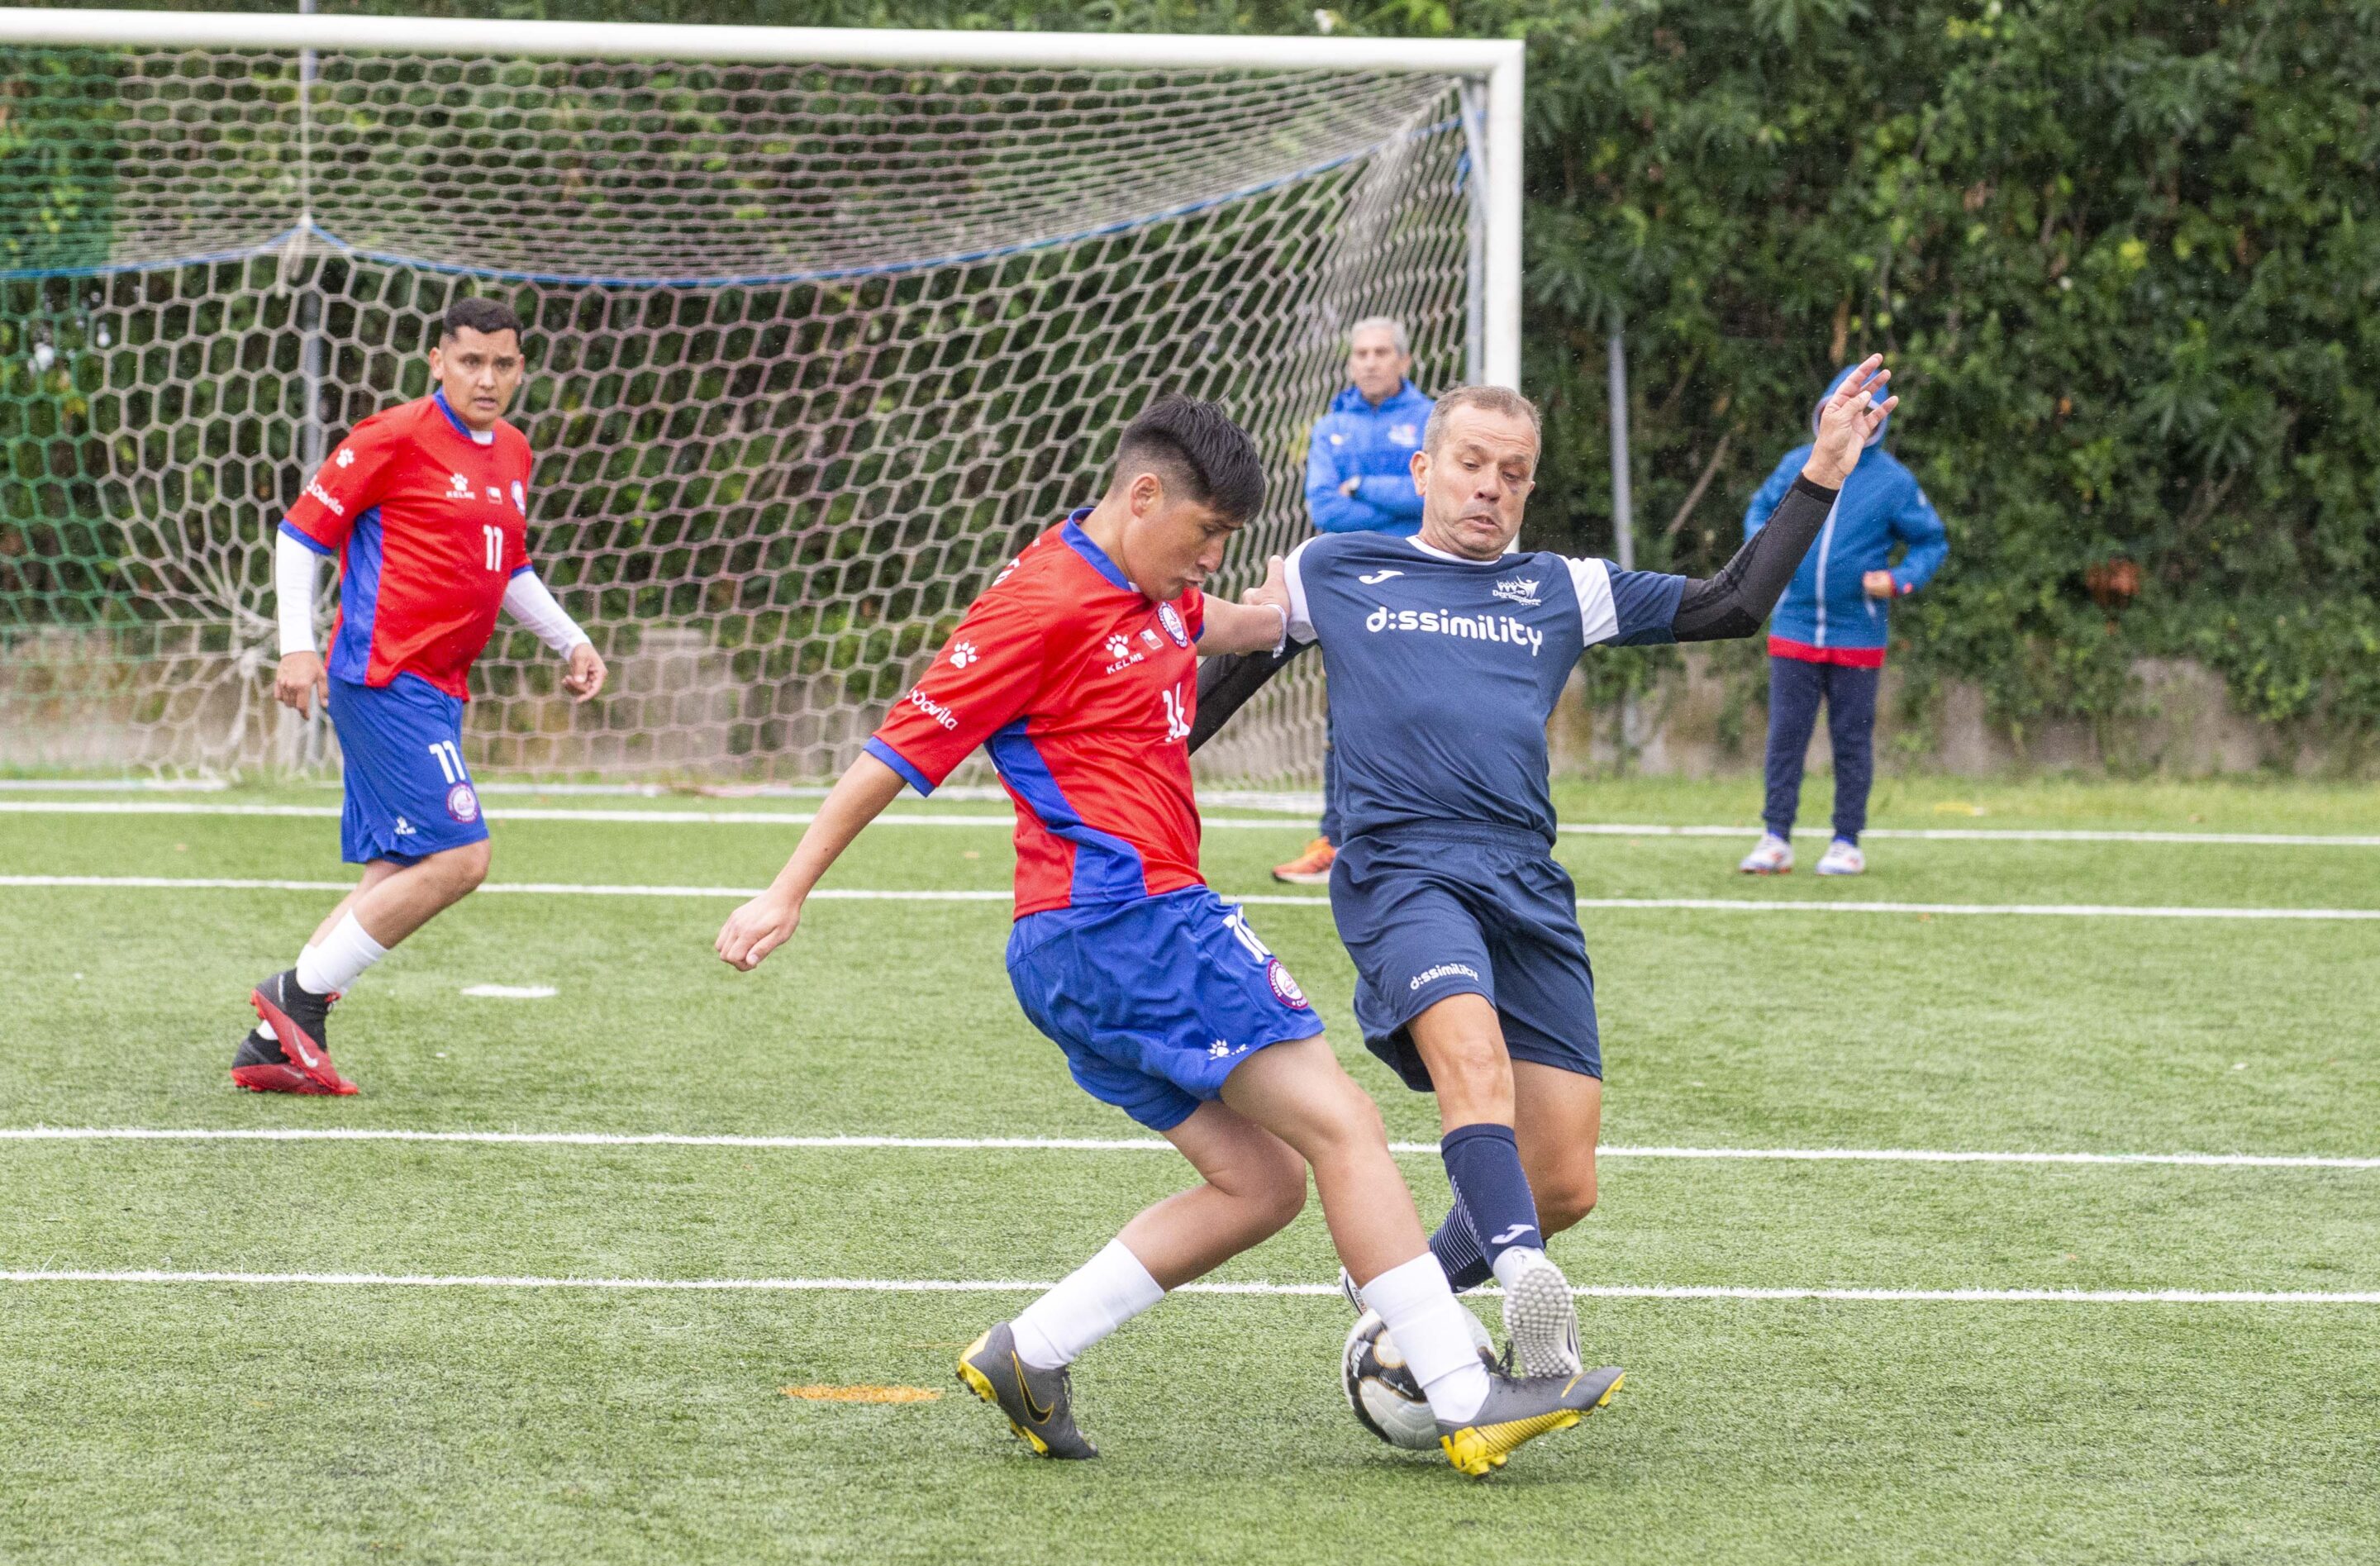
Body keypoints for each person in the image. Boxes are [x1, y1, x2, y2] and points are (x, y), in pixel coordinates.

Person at [715, 397, 1621, 1476]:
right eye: (1207, 532)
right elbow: (894, 750)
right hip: (1135, 922)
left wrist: (1311, 604)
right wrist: (786, 891)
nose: (1212, 557)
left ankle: (1031, 1348)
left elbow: (1229, 624)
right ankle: (1469, 1393)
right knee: (1346, 1128)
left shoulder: (1151, 591)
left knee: (1263, 1184)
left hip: (1074, 950)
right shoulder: (1038, 603)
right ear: (1143, 496)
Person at [1192, 361, 1895, 1375]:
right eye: (1471, 464)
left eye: (1513, 473)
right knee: (1474, 1063)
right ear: (1425, 469)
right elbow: (1209, 696)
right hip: (1402, 870)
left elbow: (1735, 604)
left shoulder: (1563, 587)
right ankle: (1526, 1283)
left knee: (1563, 1180)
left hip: (1524, 880)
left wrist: (1823, 469)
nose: (1491, 487)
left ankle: (1407, 1286)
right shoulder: (1332, 568)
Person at [233, 297, 607, 1097]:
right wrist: (296, 644)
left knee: (397, 870)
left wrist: (569, 638)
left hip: (438, 687)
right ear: (438, 361)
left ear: (520, 369)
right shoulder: (393, 435)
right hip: (383, 677)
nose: (487, 378)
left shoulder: (513, 451)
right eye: (470, 360)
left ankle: (269, 1045)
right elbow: (300, 534)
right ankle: (297, 998)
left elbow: (508, 565)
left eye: (502, 363)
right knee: (461, 857)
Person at [1737, 365, 1947, 878]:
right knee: (1785, 738)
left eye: (1865, 412)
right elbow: (1758, 513)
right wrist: (1770, 562)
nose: (1855, 419)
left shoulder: (1895, 482)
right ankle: (1775, 838)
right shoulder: (1797, 464)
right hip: (1793, 626)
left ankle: (1846, 842)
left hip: (1859, 634)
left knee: (1852, 742)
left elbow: (1931, 541)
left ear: (1878, 419)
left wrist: (1898, 580)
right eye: (1845, 408)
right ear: (1827, 410)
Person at [1272, 317, 1433, 886]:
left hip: (1420, 581)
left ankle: (1420, 843)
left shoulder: (1430, 420)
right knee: (1345, 716)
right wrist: (1394, 502)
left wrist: (1362, 485)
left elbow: (1434, 498)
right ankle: (1335, 841)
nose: (1369, 361)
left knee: (1421, 712)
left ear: (1404, 361)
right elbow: (1324, 509)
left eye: (1381, 352)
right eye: (1360, 353)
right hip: (1352, 586)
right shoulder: (1331, 426)